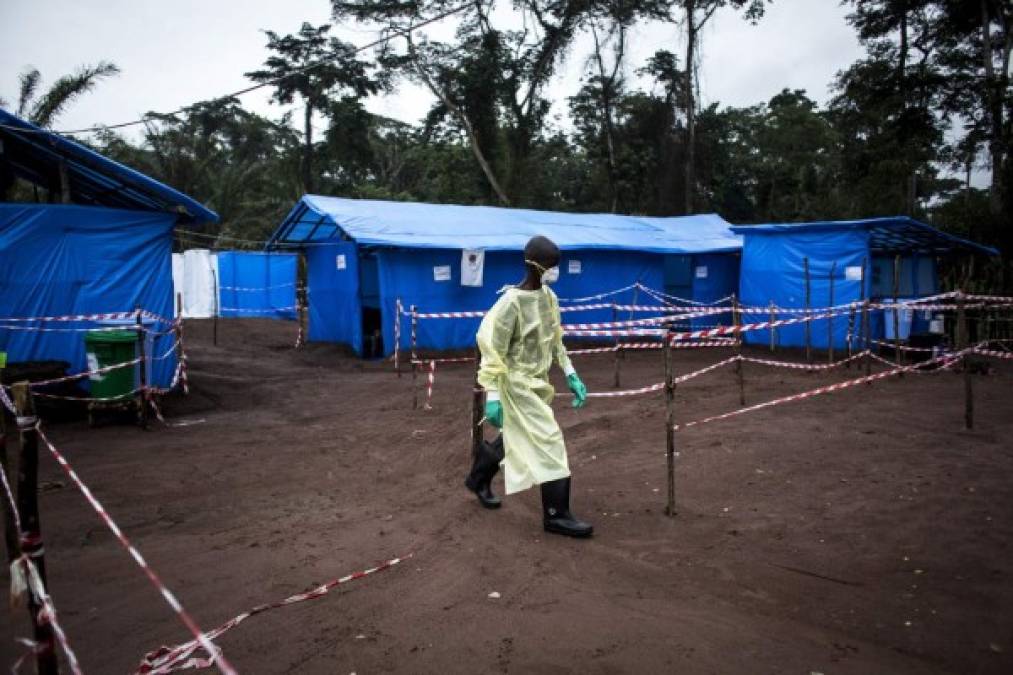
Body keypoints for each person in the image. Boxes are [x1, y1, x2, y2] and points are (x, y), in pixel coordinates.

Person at [464, 235, 593, 538]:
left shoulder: (549, 298)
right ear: (535, 266)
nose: (554, 272)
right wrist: (493, 396)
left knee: (514, 435)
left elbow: (555, 340)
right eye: (551, 266)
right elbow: (492, 349)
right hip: (515, 383)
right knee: (549, 439)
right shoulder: (510, 303)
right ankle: (556, 515)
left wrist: (571, 374)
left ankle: (478, 478)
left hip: (537, 383)